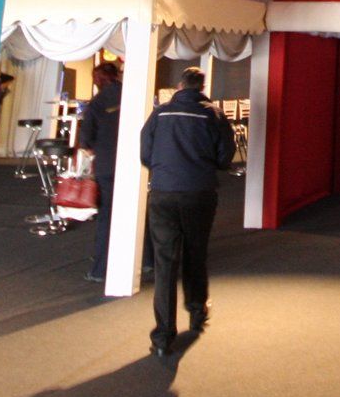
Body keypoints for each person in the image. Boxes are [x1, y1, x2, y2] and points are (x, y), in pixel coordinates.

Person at [138, 66, 234, 356]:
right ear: (202, 86)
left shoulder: (160, 114)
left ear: (180, 86)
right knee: (195, 252)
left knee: (165, 262)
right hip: (199, 193)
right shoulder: (213, 115)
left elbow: (145, 152)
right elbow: (224, 156)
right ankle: (196, 309)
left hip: (164, 193)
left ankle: (163, 335)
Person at [80, 61, 152, 283]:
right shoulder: (134, 96)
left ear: (98, 79)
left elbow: (86, 140)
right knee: (139, 211)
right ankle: (148, 260)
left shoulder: (97, 103)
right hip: (135, 162)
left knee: (107, 216)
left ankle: (101, 269)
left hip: (107, 165)